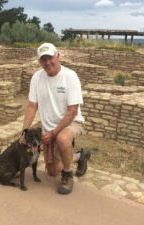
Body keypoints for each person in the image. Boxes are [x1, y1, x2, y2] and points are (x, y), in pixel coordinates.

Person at [19, 42, 90, 195]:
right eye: (43, 59)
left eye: (50, 58)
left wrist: (54, 134)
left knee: (62, 140)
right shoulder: (37, 77)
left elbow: (72, 111)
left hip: (72, 122)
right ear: (39, 62)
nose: (48, 62)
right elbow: (32, 106)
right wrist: (24, 131)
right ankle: (80, 156)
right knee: (52, 172)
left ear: (58, 56)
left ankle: (68, 175)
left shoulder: (70, 76)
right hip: (49, 128)